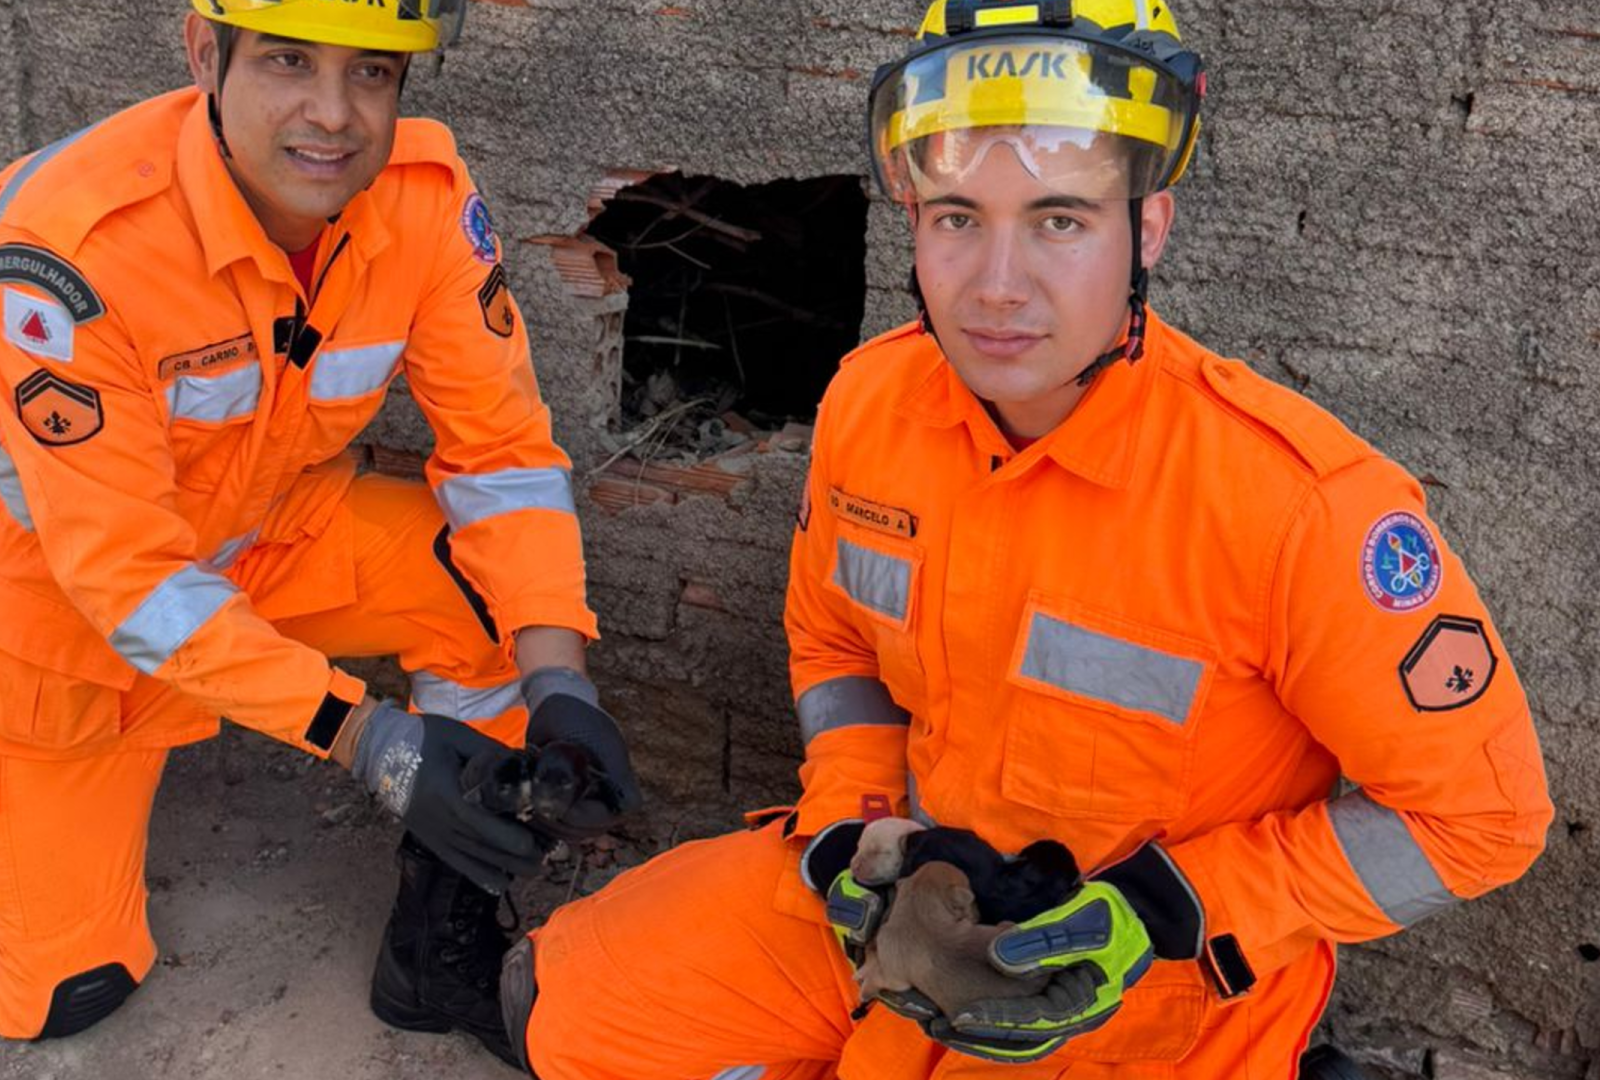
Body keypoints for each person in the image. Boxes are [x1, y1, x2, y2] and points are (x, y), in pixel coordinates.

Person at [501, 1, 1552, 1076]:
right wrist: (854, 834)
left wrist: (1173, 909)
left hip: (1136, 990)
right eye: (957, 216)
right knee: (560, 1007)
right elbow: (838, 649)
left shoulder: (1299, 504)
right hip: (905, 899)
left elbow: (1482, 819)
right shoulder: (871, 402)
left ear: (1146, 229)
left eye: (1059, 220)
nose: (997, 286)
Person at [0, 0, 639, 1058]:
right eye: (288, 61)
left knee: (484, 588)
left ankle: (443, 936)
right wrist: (368, 739)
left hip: (257, 539)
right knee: (61, 991)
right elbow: (130, 581)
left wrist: (560, 678)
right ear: (205, 56)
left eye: (372, 72)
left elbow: (504, 458)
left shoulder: (422, 200)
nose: (333, 115)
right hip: (56, 610)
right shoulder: (68, 244)